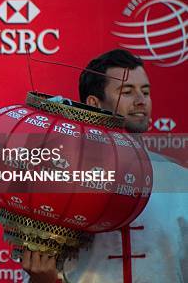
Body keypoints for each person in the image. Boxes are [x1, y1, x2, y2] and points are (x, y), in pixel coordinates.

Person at [22, 49, 187, 283]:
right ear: (94, 103)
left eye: (146, 91)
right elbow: (40, 272)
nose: (141, 100)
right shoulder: (60, 179)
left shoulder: (179, 180)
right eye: (127, 91)